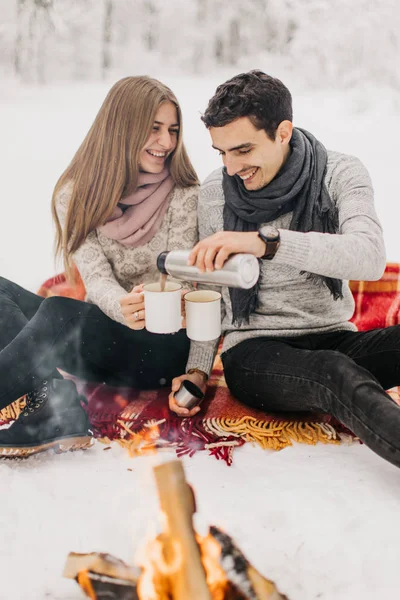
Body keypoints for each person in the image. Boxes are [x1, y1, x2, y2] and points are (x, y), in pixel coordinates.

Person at [169, 69, 400, 470]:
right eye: (220, 153)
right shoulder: (213, 194)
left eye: (242, 150)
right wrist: (196, 371)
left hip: (334, 337)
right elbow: (212, 293)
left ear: (282, 132)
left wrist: (268, 243)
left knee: (337, 361)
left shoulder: (340, 173)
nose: (230, 168)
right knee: (333, 372)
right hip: (255, 353)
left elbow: (368, 256)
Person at [0, 76, 199, 457]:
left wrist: (156, 302)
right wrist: (120, 304)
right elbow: (97, 278)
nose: (166, 143)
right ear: (122, 127)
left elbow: (182, 278)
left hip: (160, 348)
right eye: (154, 129)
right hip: (102, 332)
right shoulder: (75, 194)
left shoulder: (185, 194)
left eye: (172, 130)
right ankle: (56, 406)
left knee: (56, 310)